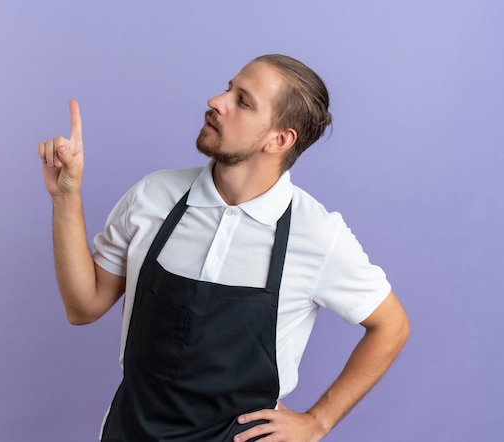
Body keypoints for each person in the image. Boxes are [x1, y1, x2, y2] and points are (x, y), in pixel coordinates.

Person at [37, 54, 410, 442]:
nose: (217, 101)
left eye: (242, 101)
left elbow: (392, 326)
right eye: (228, 88)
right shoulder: (153, 196)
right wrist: (66, 197)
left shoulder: (316, 234)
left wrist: (318, 421)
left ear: (279, 139)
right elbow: (83, 307)